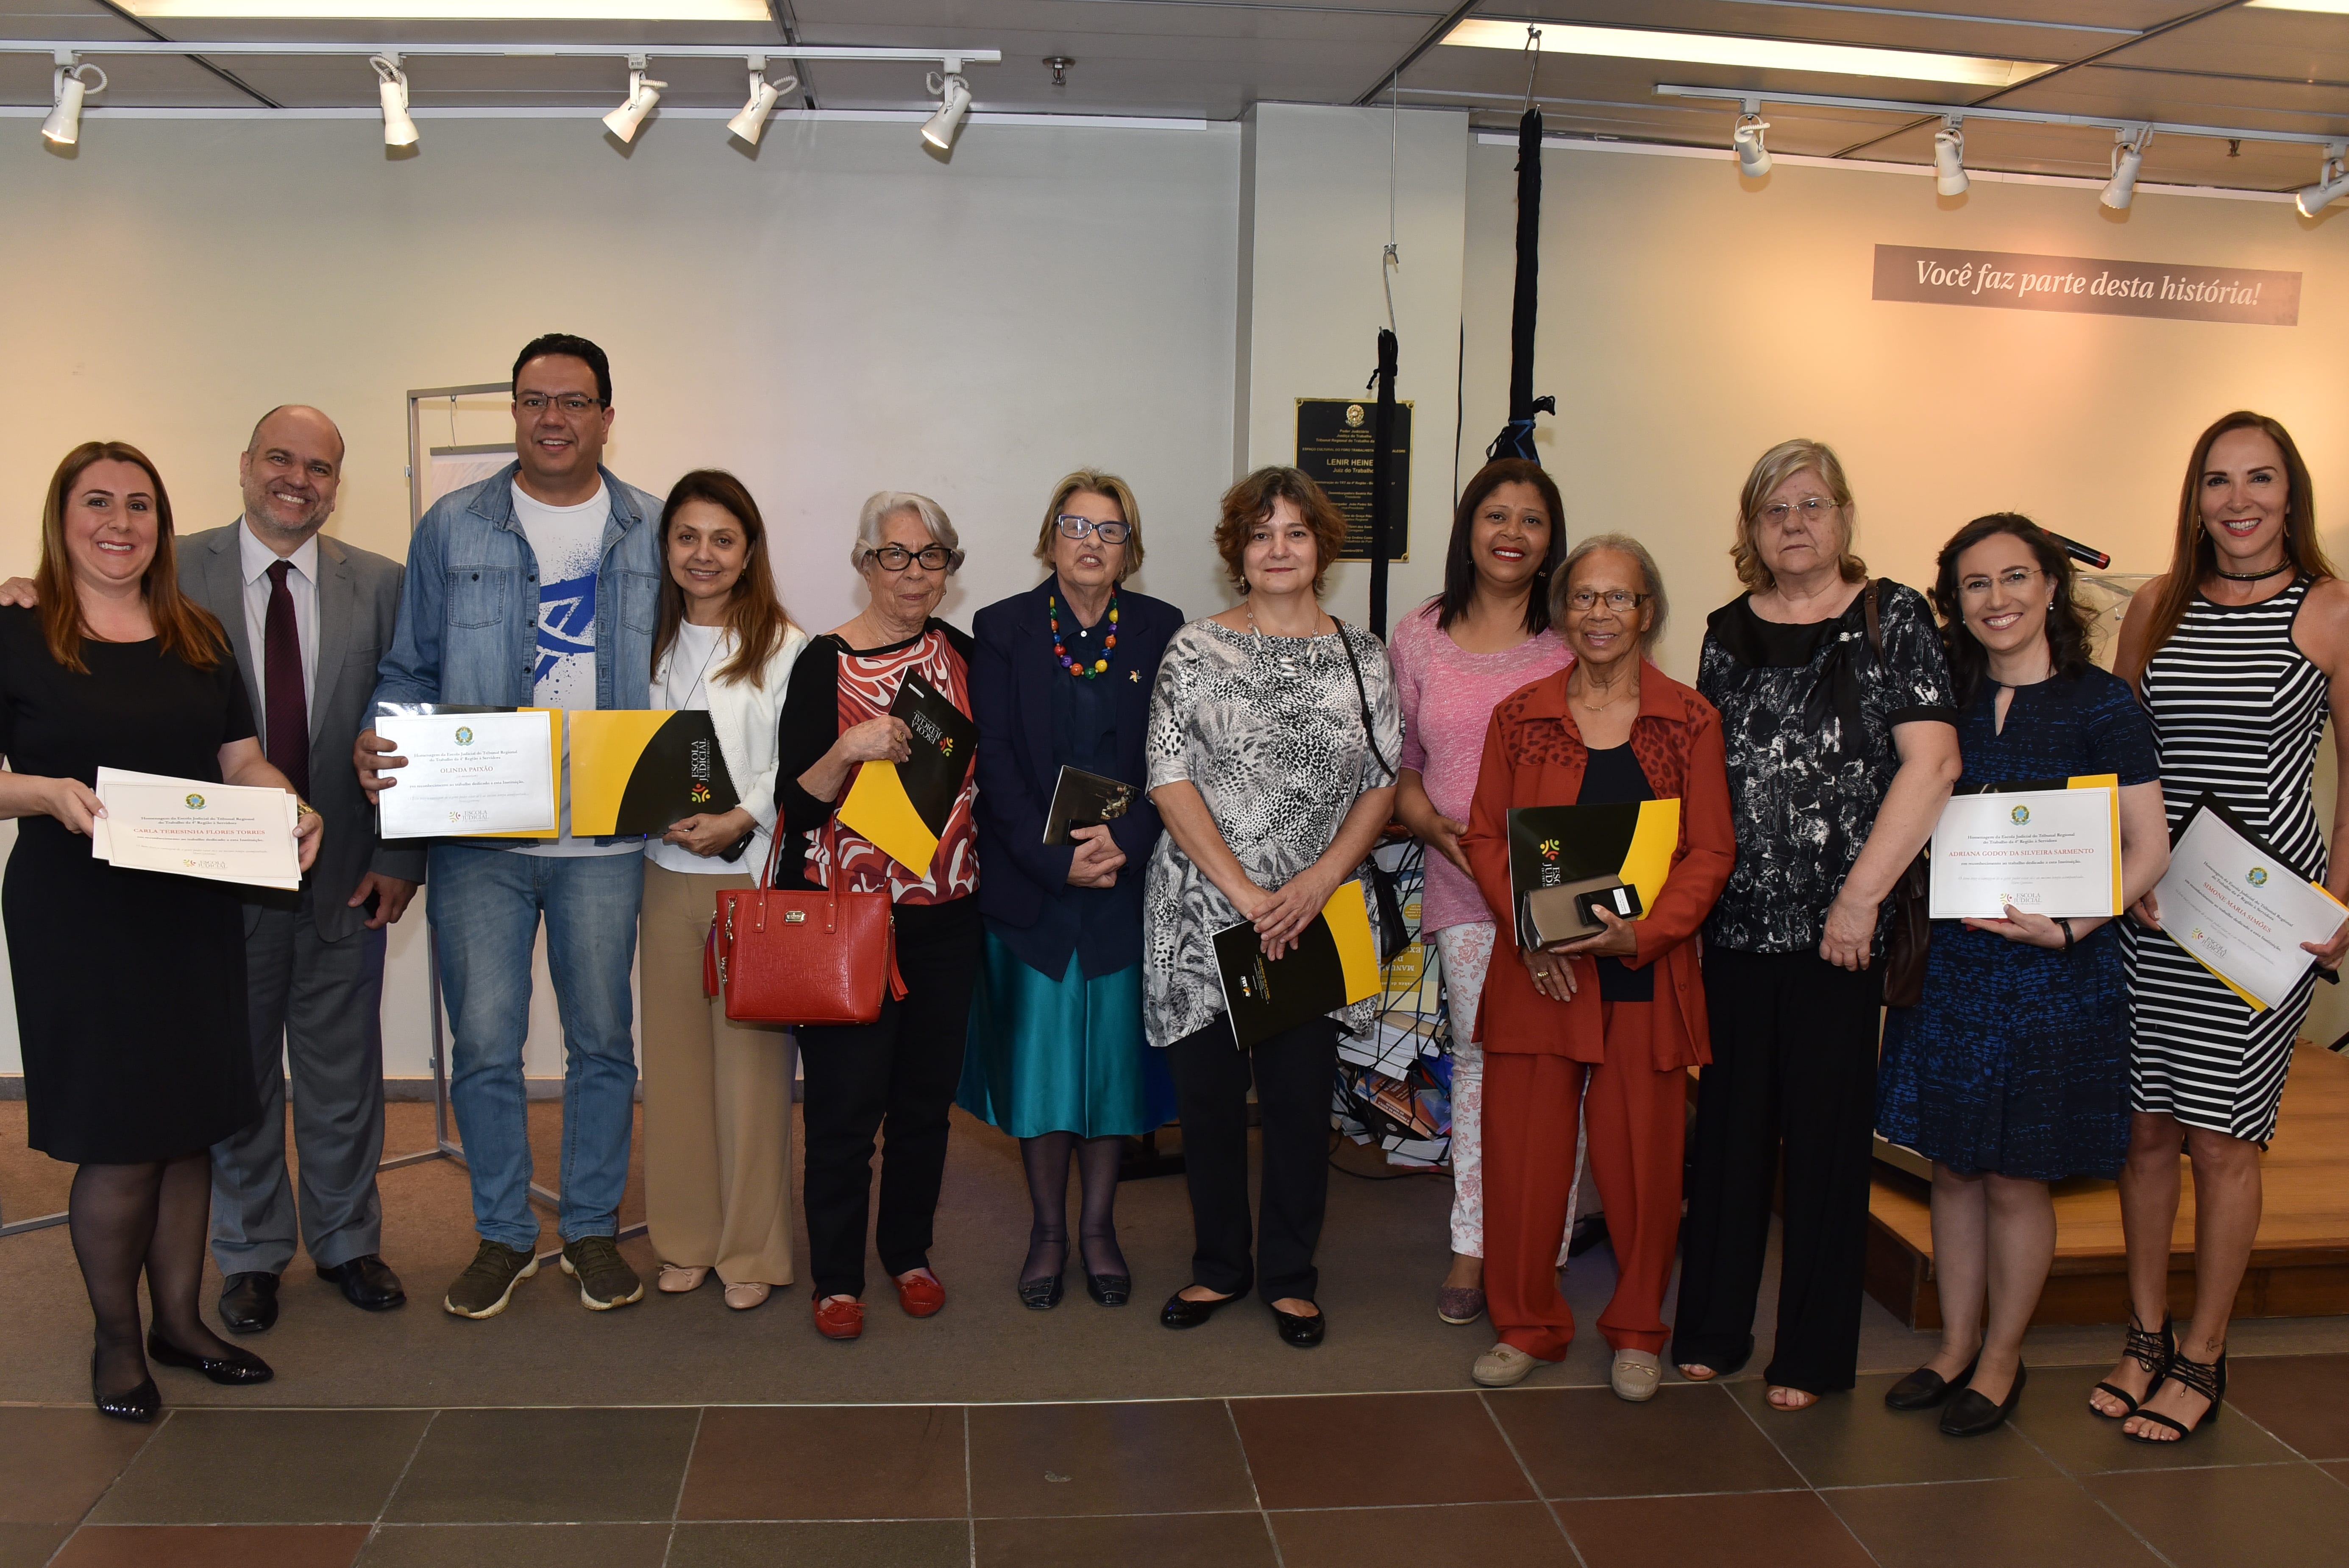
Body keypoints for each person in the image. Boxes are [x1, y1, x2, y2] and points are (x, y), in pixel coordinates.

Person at [0, 407, 420, 1331]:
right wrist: (40, 789)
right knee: (220, 1097)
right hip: (145, 895)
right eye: (280, 456)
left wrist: (364, 837)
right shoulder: (109, 589)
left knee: (316, 1080)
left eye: (319, 466)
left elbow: (289, 741)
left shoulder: (360, 589)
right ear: (242, 466)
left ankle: (343, 1245)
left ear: (336, 483)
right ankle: (251, 1257)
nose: (121, 522)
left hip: (309, 869)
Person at [0, 443, 320, 1420]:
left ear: (162, 524)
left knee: (190, 1128)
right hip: (79, 913)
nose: (120, 522)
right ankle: (115, 1338)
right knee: (120, 1134)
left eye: (140, 505)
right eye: (97, 502)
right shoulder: (17, 628)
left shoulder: (196, 631)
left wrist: (289, 803)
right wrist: (44, 791)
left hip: (191, 899)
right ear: (62, 518)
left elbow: (239, 755)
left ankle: (179, 1322)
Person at [359, 333, 662, 1319]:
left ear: (606, 416)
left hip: (607, 840)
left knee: (602, 1039)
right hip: (480, 837)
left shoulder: (652, 529)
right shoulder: (453, 525)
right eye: (534, 400)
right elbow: (408, 669)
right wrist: (384, 740)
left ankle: (586, 1228)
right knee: (484, 1041)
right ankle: (500, 1232)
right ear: (515, 411)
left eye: (574, 402)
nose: (552, 418)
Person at [1670, 438, 1961, 1410]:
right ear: (1750, 529)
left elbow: (1931, 765)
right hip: (1730, 928)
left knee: (1828, 1143)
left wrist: (1858, 898)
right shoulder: (1721, 631)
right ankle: (1710, 1327)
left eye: (1811, 504)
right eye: (1772, 509)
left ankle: (1811, 1351)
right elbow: (1700, 783)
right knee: (1726, 1139)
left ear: (1842, 516)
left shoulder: (1894, 618)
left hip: (1839, 930)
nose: (1793, 523)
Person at [1877, 515, 2168, 1437]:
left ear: (2050, 586)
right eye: (1974, 583)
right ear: (1952, 603)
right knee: (1954, 1165)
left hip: (2055, 974)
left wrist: (2074, 923)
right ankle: (1952, 1344)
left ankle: (2001, 1356)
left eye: (2014, 577)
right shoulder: (1941, 704)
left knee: (2016, 1177)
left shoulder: (2103, 706)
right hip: (1957, 966)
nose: (1995, 598)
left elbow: (2148, 847)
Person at [2097, 412, 2349, 1443]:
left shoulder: (2329, 609)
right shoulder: (2153, 604)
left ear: (2290, 494)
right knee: (2143, 1131)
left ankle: (2202, 1347)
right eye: (2216, 480)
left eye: (2259, 478)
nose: (2237, 500)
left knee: (2220, 1138)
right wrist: (2120, 869)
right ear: (2193, 498)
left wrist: (2342, 891)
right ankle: (2143, 1331)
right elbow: (2112, 753)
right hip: (2153, 905)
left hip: (2258, 918)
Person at [1460, 536, 1733, 1398]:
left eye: (1617, 598)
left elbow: (1708, 851)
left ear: (1646, 611)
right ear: (1561, 611)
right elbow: (1482, 835)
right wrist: (1529, 932)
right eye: (1583, 597)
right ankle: (1527, 1324)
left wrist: (1641, 935)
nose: (1599, 614)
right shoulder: (1518, 715)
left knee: (1642, 1168)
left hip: (1638, 973)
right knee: (1523, 1162)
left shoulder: (1687, 719)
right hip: (1538, 974)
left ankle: (1636, 1328)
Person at [1144, 466, 1400, 1349]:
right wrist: (1248, 894)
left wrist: (1317, 881)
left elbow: (1381, 782)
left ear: (1320, 547)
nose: (1278, 548)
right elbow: (1167, 778)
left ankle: (1289, 1274)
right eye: (1260, 534)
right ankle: (1219, 1265)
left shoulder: (1363, 656)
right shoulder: (1193, 649)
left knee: (1297, 1103)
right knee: (1210, 1104)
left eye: (1294, 532)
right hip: (1204, 913)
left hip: (1311, 915)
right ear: (1237, 553)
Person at [958, 471, 1183, 1309]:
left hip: (1126, 882)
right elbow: (997, 763)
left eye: (1109, 529)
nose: (1090, 541)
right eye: (1074, 524)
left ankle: (1099, 1226)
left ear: (1130, 547)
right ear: (1049, 535)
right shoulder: (1004, 627)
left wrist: (1123, 844)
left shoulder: (1162, 629)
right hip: (1036, 883)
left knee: (1114, 1068)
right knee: (1044, 1069)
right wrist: (1057, 860)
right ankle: (1047, 1230)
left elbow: (1172, 760)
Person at [774, 492, 980, 1342]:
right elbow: (795, 796)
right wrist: (849, 748)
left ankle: (907, 1251)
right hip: (848, 924)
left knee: (925, 1105)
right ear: (865, 563)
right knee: (843, 1109)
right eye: (895, 554)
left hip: (945, 914)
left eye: (931, 556)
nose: (914, 572)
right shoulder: (821, 661)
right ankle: (835, 1275)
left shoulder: (968, 656)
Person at [1390, 457, 1573, 1327]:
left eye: (1530, 519)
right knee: (1481, 1062)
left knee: (1558, 1065)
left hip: (1559, 886)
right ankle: (1473, 1240)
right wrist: (1437, 832)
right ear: (1467, 529)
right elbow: (1403, 769)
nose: (1510, 532)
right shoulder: (1420, 632)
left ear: (1551, 540)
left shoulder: (1575, 632)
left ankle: (1543, 1239)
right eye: (1494, 514)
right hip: (1462, 884)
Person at [638, 471, 808, 1312]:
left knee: (751, 1074)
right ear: (666, 547)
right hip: (664, 882)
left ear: (748, 553)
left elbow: (804, 768)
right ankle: (684, 1238)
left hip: (749, 879)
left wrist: (741, 814)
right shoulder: (644, 643)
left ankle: (751, 1248)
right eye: (686, 537)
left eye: (722, 539)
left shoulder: (784, 646)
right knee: (672, 1071)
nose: (702, 555)